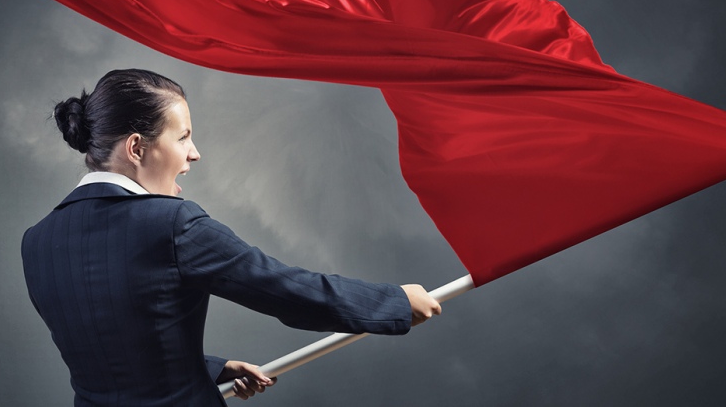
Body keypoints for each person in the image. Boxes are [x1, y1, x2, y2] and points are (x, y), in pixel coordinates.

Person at [22, 68, 441, 406]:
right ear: (136, 148)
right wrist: (395, 303)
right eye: (183, 136)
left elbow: (114, 347)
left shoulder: (36, 243)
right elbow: (285, 289)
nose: (194, 153)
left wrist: (210, 368)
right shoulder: (171, 223)